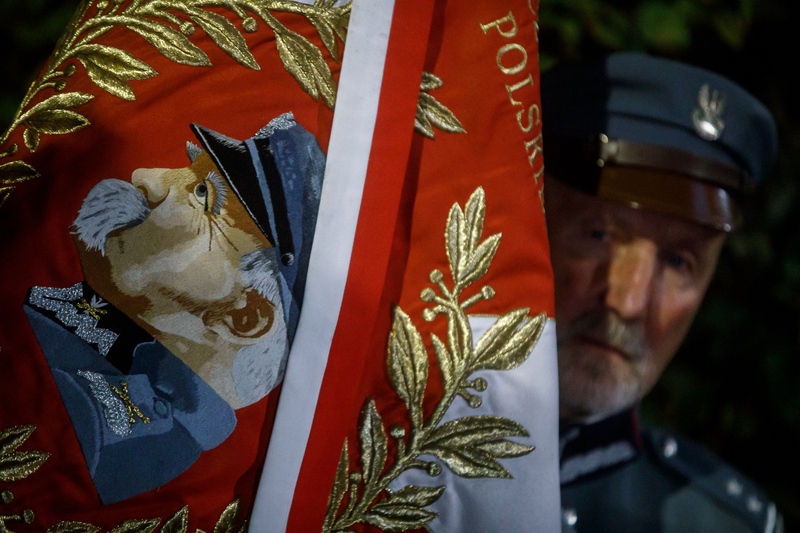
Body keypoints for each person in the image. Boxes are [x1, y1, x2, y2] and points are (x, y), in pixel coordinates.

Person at [22, 112, 325, 504]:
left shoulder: (110, 439)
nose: (146, 177)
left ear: (242, 318)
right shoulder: (90, 334)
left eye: (204, 194)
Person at [541, 53, 784, 533]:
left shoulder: (723, 524)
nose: (626, 303)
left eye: (678, 262)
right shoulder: (376, 453)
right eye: (600, 235)